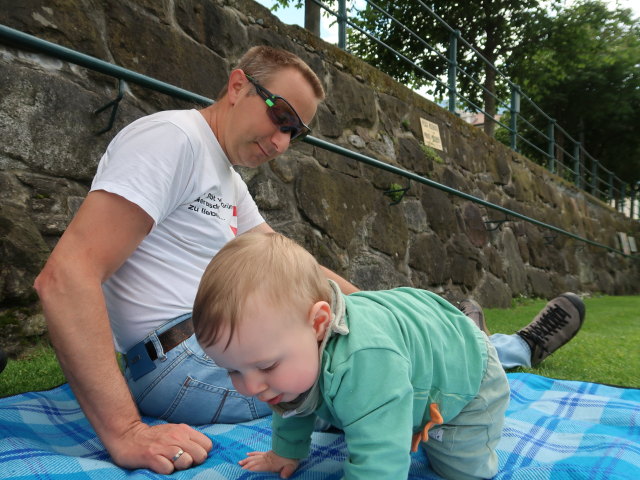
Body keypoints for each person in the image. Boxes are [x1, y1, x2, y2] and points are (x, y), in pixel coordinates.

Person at [34, 43, 585, 475]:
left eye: (297, 131)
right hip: (190, 356)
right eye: (279, 114)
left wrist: (390, 317)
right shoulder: (171, 140)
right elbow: (66, 277)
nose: (282, 140)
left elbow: (296, 270)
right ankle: (503, 350)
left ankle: (465, 342)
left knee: (376, 350)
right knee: (366, 380)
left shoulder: (223, 174)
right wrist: (127, 432)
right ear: (236, 85)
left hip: (230, 341)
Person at [192, 231, 512, 480]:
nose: (250, 387)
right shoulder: (288, 350)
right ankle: (459, 319)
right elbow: (292, 405)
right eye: (232, 371)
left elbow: (381, 454)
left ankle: (467, 325)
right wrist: (286, 452)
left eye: (266, 365)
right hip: (413, 339)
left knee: (462, 471)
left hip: (468, 373)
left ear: (319, 324)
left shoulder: (364, 361)